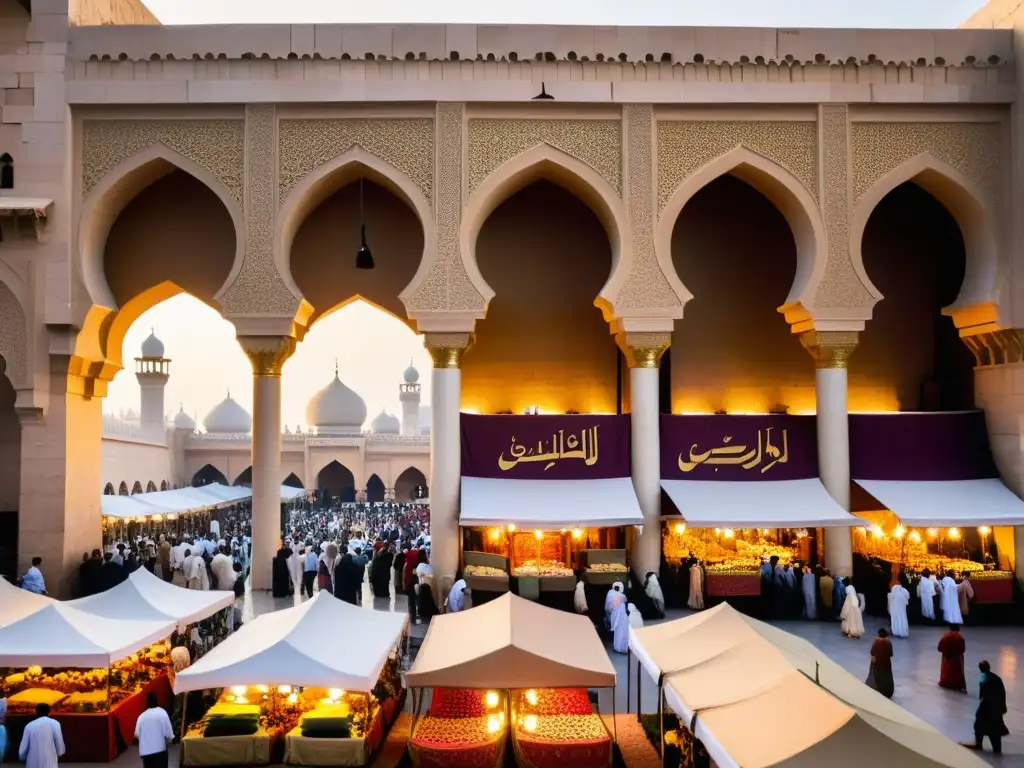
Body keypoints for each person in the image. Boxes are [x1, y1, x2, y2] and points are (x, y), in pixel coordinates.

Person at [965, 660, 1008, 754]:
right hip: (996, 706)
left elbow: (983, 692)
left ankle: (978, 744)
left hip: (987, 706)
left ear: (981, 668)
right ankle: (997, 748)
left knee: (979, 724)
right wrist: (1003, 705)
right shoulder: (997, 678)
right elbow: (1002, 692)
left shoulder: (983, 676)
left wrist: (981, 704)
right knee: (995, 726)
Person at [18, 703, 64, 768]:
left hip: (32, 763)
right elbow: (59, 744)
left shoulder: (29, 726)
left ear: (36, 712)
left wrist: (22, 757)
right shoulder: (55, 724)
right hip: (50, 763)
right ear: (49, 712)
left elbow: (22, 749)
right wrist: (59, 753)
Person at [134, 692, 173, 768]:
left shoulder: (141, 717)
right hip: (161, 751)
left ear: (147, 702)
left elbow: (137, 734)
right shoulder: (163, 713)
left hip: (147, 754)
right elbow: (169, 733)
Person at [866, 628, 895, 699]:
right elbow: (891, 654)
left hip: (877, 663)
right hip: (886, 664)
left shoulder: (876, 641)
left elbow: (872, 652)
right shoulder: (888, 642)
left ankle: (875, 687)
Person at [938, 624, 967, 692]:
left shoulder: (946, 636)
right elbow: (962, 649)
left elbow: (940, 647)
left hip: (947, 657)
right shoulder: (960, 637)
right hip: (957, 658)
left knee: (947, 670)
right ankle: (958, 684)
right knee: (958, 671)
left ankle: (946, 682)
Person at [0, 697, 8, 763]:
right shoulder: (4, 701)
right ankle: (1, 757)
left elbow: (5, 714)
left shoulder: (4, 701)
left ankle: (2, 757)